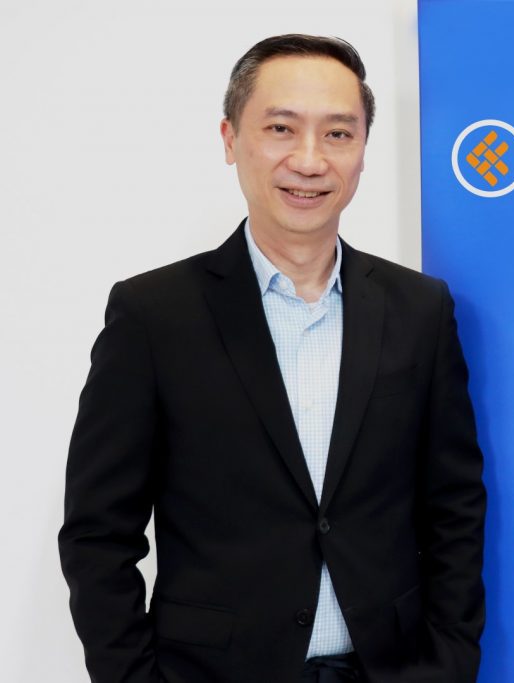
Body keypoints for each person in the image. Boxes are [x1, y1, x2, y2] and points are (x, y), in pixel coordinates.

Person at [58, 34, 486, 683]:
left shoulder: (420, 310)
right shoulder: (153, 315)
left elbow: (453, 507)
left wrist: (446, 663)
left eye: (338, 134)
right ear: (230, 139)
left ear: (363, 151)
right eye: (281, 128)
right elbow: (98, 534)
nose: (309, 160)